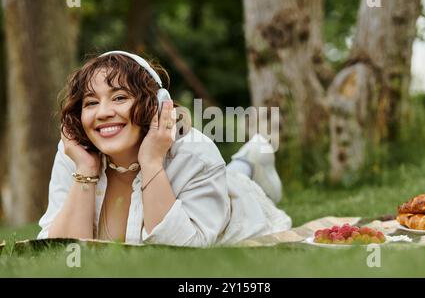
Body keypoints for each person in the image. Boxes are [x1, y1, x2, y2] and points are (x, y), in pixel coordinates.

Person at [37, 51, 292, 247]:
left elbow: (182, 252)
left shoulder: (196, 153)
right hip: (213, 181)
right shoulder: (75, 154)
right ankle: (247, 160)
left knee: (237, 182)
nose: (103, 113)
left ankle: (250, 160)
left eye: (119, 98)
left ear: (156, 105)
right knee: (235, 172)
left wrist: (151, 163)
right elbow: (62, 252)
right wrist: (87, 170)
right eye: (91, 103)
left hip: (238, 205)